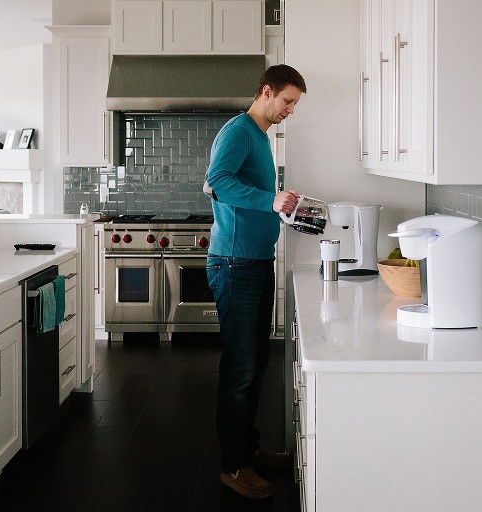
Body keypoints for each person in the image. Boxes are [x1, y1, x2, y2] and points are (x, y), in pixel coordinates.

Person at [204, 64, 306, 500]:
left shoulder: (260, 136)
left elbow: (247, 193)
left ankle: (248, 449)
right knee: (241, 370)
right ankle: (234, 467)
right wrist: (270, 199)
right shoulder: (240, 131)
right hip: (235, 264)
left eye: (294, 105)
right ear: (267, 91)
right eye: (287, 101)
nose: (290, 111)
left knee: (256, 363)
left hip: (255, 262)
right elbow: (216, 182)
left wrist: (281, 205)